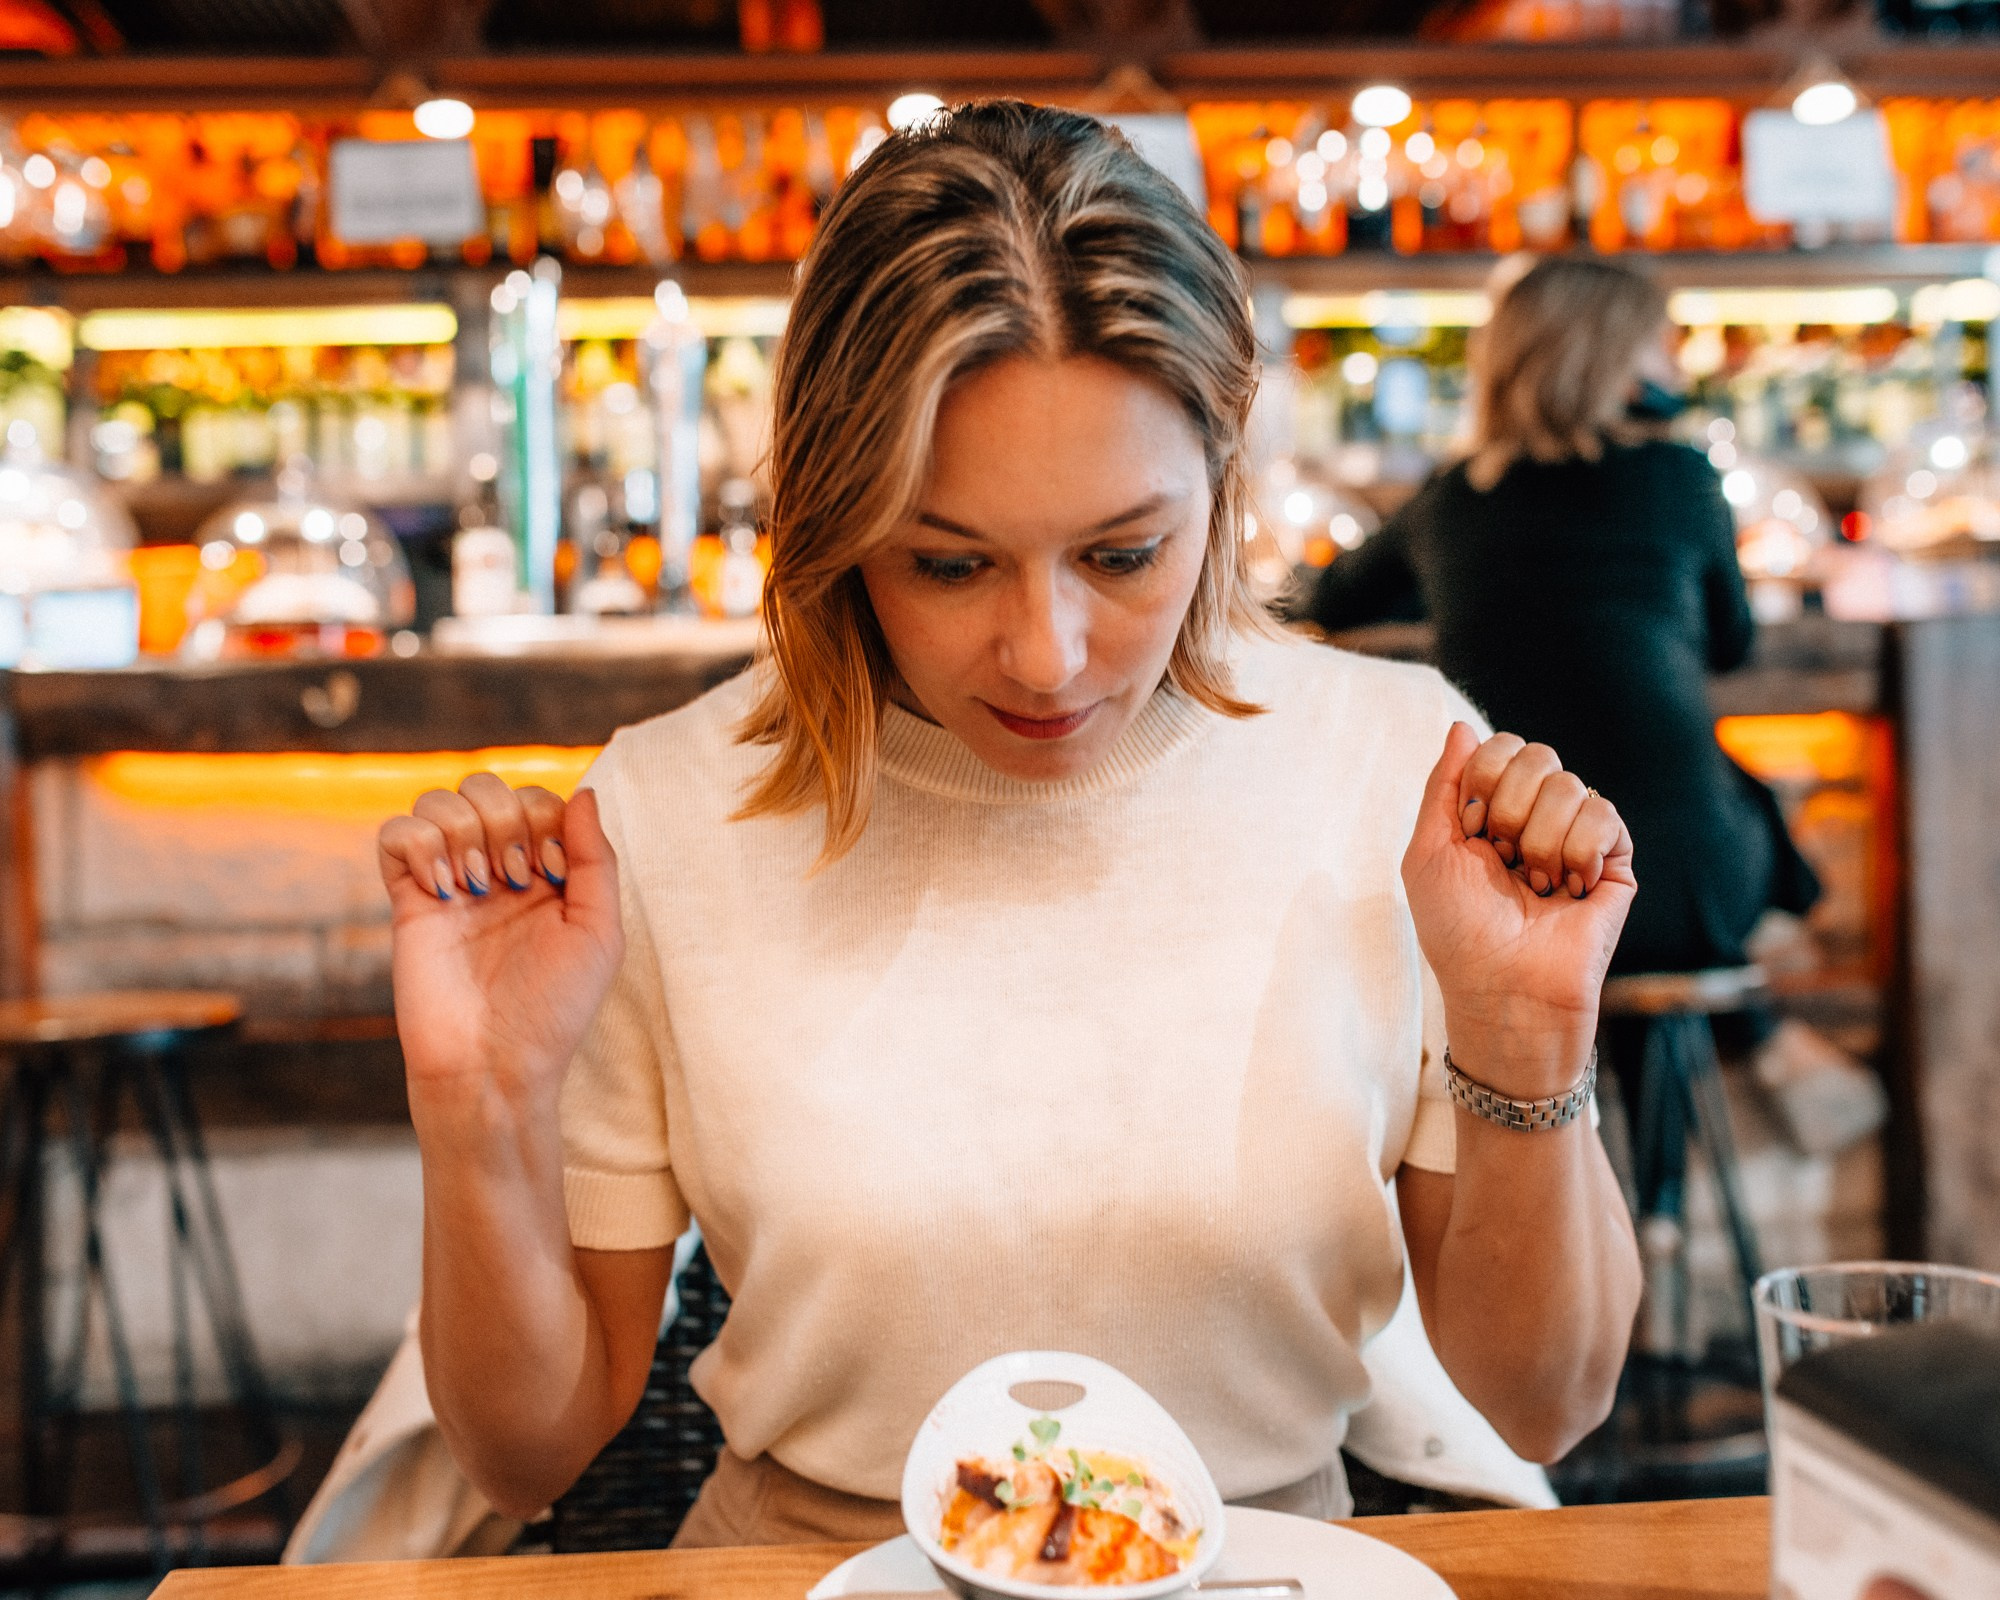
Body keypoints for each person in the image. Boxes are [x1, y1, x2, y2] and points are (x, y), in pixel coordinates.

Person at [376, 103, 1641, 1549]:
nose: (1046, 654)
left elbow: (1546, 1403)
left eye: (1122, 553)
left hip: (1265, 1577)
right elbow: (529, 1455)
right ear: (833, 527)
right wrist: (479, 1107)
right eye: (948, 561)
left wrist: (1527, 1039)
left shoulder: (1396, 760)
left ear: (1222, 478)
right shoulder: (665, 812)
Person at [1299, 256, 1819, 979]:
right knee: (1748, 800)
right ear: (1607, 357)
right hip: (1686, 891)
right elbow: (1732, 646)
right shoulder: (1681, 477)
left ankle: (1629, 1065)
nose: (1675, 360)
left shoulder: (1452, 499)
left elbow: (1327, 606)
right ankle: (1749, 1045)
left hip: (1516, 883)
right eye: (1657, 342)